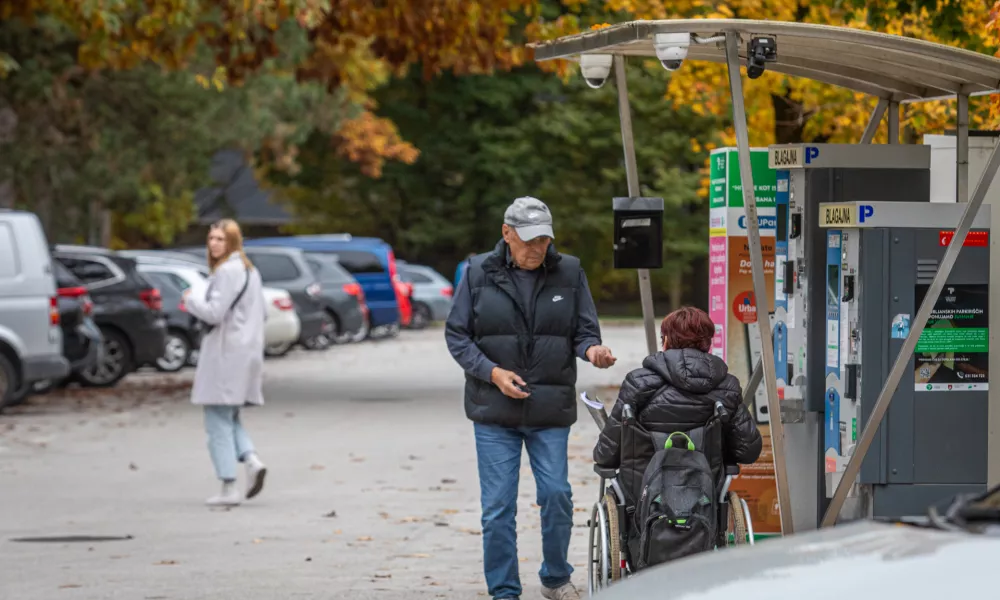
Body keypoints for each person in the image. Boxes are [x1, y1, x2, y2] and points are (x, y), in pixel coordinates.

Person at [445, 196, 616, 600]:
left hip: (549, 408)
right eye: (529, 240)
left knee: (557, 494)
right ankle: (504, 591)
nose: (537, 248)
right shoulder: (475, 273)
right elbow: (457, 335)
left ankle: (556, 578)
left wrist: (594, 351)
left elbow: (584, 332)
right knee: (498, 508)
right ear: (507, 234)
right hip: (493, 410)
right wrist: (492, 373)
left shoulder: (570, 272)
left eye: (544, 239)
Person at [593, 306, 762, 523]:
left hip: (642, 502)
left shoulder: (638, 383)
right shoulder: (727, 387)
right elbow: (749, 450)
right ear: (707, 344)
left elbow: (607, 452)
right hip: (704, 500)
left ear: (665, 341)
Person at [183, 219, 268, 507]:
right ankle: (252, 460)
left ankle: (228, 486)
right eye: (211, 238)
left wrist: (190, 300)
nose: (214, 244)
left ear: (232, 242)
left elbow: (214, 313)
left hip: (225, 352)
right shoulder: (250, 271)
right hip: (246, 351)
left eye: (220, 239)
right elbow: (261, 312)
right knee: (229, 416)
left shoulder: (227, 272)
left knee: (216, 420)